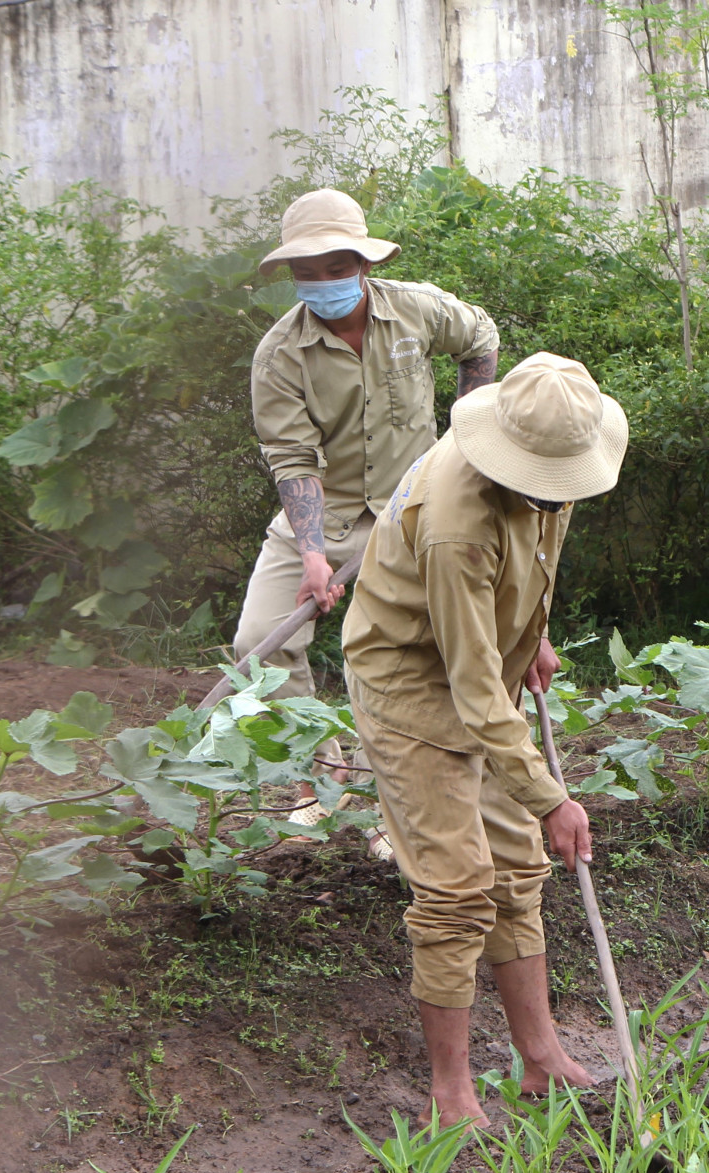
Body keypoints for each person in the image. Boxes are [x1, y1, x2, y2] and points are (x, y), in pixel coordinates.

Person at [341, 351, 627, 1126]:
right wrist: (552, 797)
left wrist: (527, 632)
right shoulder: (456, 524)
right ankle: (451, 1094)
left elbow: (527, 569)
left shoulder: (550, 471)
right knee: (457, 887)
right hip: (411, 683)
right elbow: (469, 690)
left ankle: (542, 1059)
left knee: (516, 869)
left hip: (481, 670)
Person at [234, 188, 501, 828]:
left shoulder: (417, 311)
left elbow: (481, 336)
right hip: (330, 517)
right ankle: (319, 781)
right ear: (292, 276)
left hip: (419, 508)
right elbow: (294, 460)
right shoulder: (280, 354)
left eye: (337, 266)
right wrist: (313, 555)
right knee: (258, 644)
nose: (323, 282)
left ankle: (398, 801)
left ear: (364, 263)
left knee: (402, 656)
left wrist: (465, 432)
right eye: (308, 271)